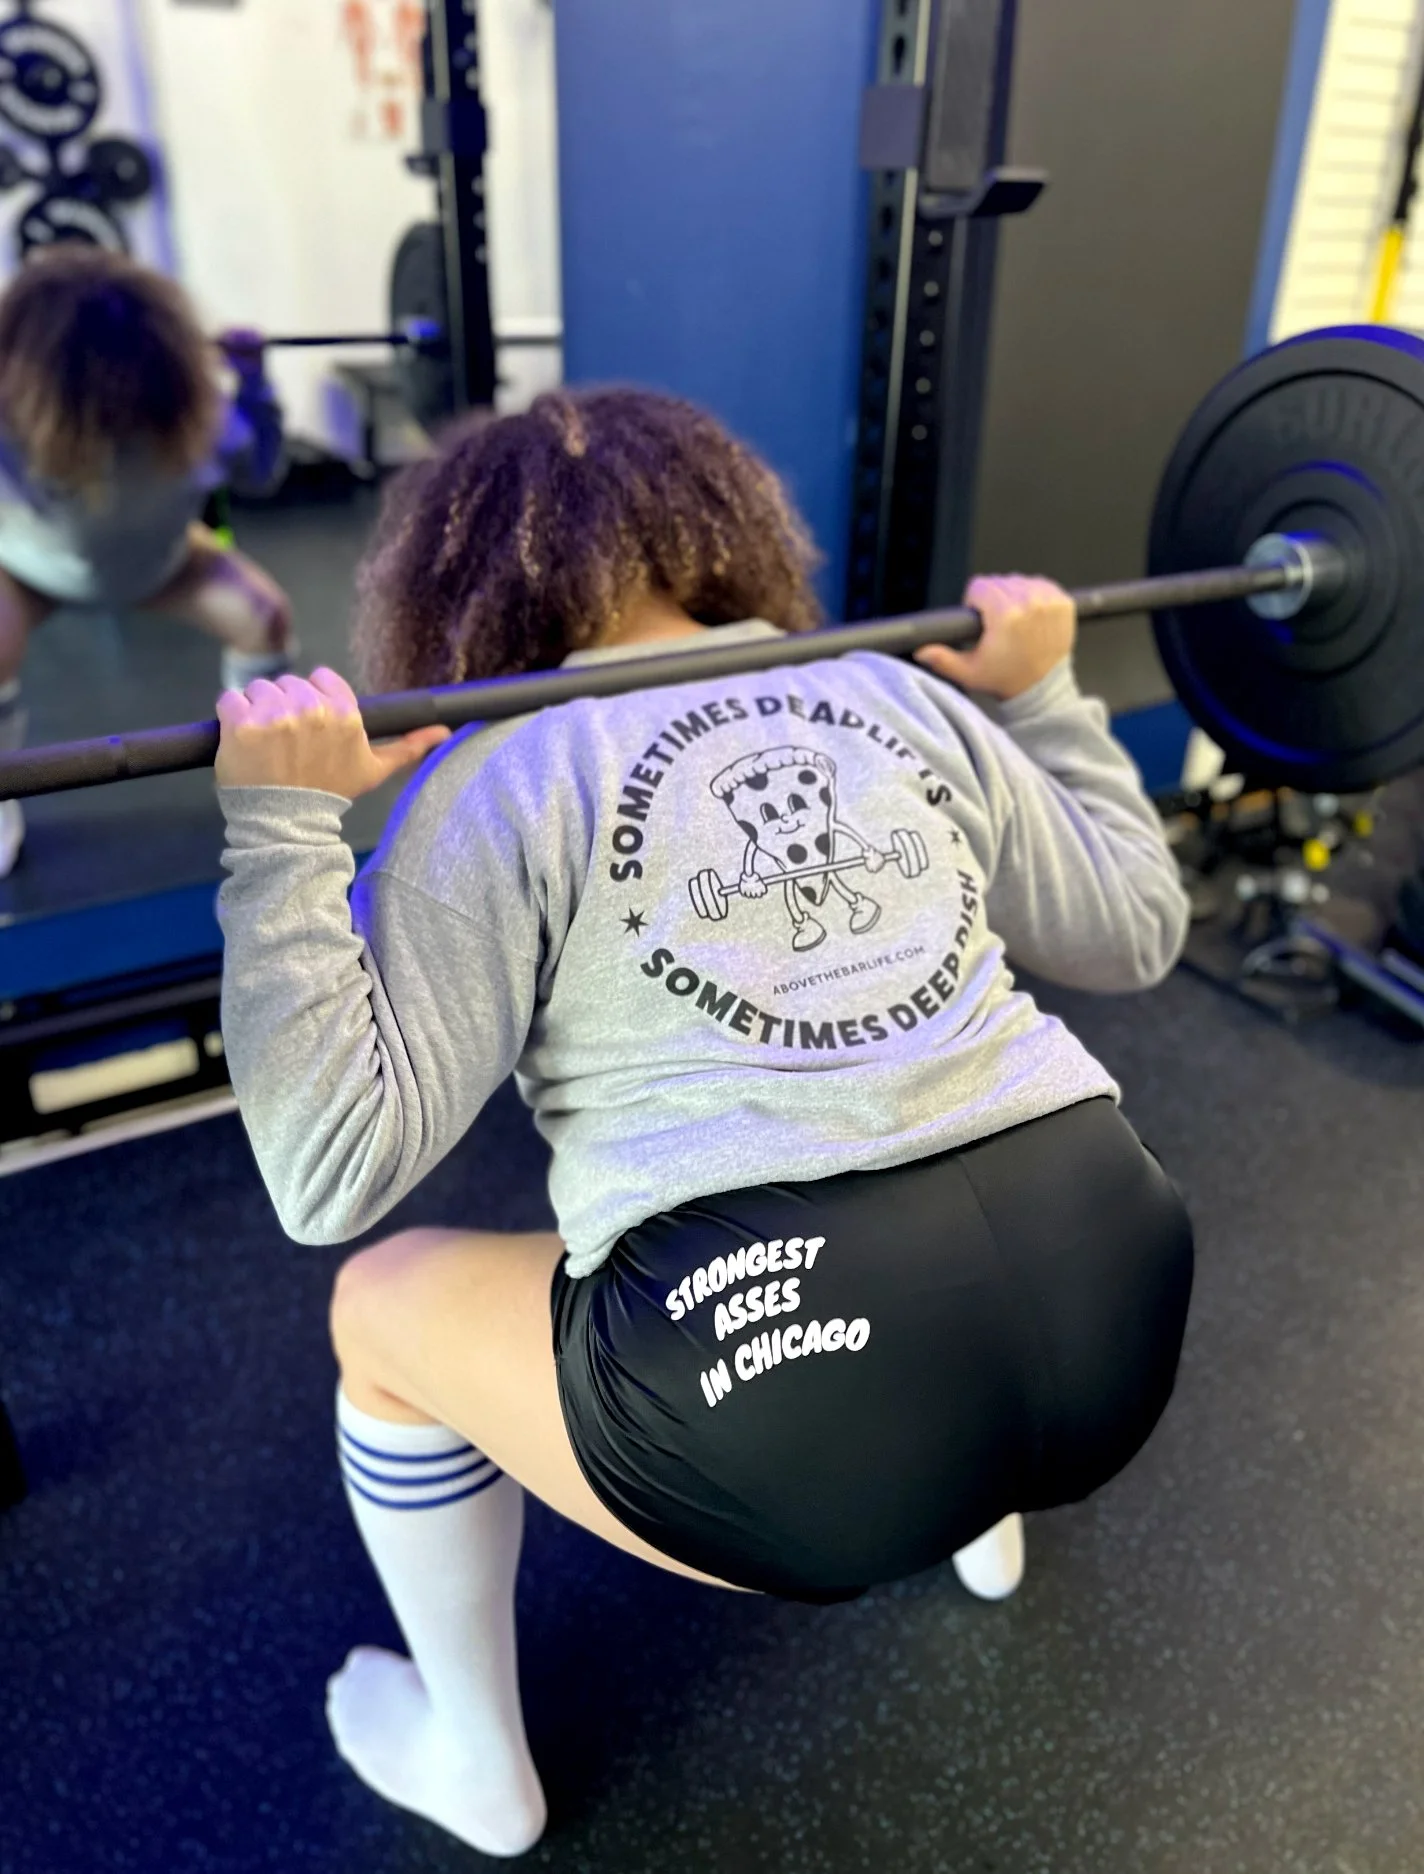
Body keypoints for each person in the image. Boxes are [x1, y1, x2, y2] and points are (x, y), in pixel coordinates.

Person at [213, 389, 1195, 1857]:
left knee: (382, 1302)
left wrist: (278, 835)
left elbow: (326, 1171)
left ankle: (478, 1758)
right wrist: (1044, 692)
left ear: (450, 592)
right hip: (1121, 1292)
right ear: (726, 530)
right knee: (837, 1161)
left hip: (798, 1416)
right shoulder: (900, 692)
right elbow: (1140, 924)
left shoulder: (498, 768)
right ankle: (978, 1511)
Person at [0, 246, 293, 879]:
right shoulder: (11, 424)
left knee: (263, 616)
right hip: (28, 568)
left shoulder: (199, 419)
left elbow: (263, 473)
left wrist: (255, 383)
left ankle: (262, 778)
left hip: (160, 562)